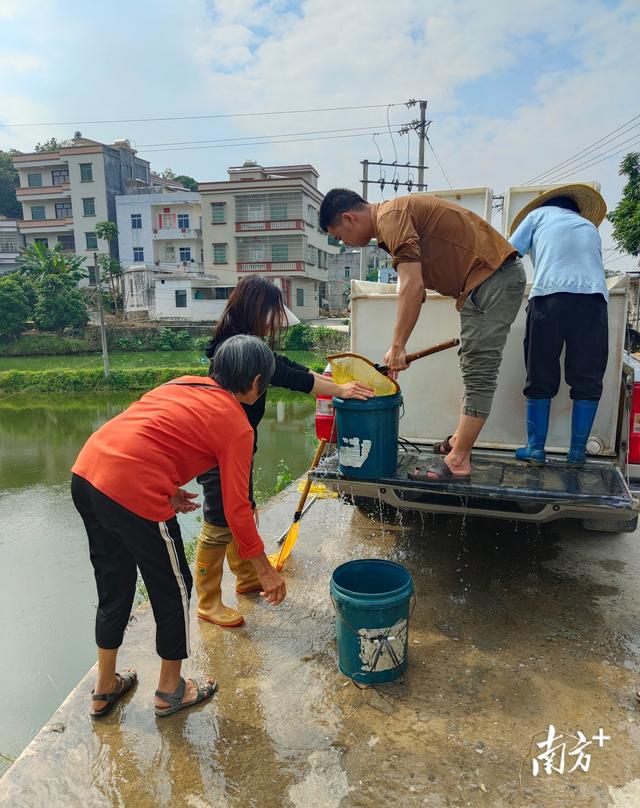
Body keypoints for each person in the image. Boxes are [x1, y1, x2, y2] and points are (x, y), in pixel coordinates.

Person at [71, 335, 285, 719]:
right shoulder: (238, 425)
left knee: (113, 584)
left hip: (88, 473)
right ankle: (171, 690)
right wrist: (265, 571)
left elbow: (146, 433)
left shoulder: (183, 382)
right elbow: (238, 510)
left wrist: (167, 490)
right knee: (174, 587)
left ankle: (104, 689)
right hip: (130, 488)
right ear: (255, 383)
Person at [194, 276, 373, 628]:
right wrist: (341, 390)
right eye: (270, 313)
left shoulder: (247, 342)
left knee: (239, 510)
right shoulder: (235, 348)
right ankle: (208, 602)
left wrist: (339, 387)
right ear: (254, 309)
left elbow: (289, 368)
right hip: (218, 446)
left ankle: (246, 579)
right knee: (218, 521)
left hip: (237, 444)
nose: (273, 321)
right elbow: (293, 378)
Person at [319, 189, 526, 481]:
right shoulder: (392, 220)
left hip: (493, 279)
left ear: (348, 218)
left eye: (339, 236)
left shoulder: (391, 218)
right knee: (473, 365)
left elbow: (412, 287)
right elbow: (416, 289)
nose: (344, 242)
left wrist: (398, 346)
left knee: (479, 370)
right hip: (484, 283)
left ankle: (457, 461)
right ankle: (459, 444)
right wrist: (399, 347)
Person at [508, 184, 609, 466]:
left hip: (549, 298)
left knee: (540, 371)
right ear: (576, 208)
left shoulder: (537, 216)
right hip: (593, 300)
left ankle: (536, 448)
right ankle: (577, 453)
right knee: (587, 376)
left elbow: (508, 253)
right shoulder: (589, 227)